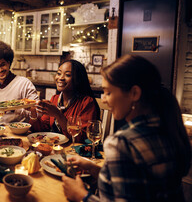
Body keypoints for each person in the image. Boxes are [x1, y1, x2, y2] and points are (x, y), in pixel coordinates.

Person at [62, 55, 191, 201]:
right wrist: (96, 169)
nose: (103, 99)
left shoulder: (122, 143)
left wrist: (82, 195)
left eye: (108, 92)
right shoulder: (168, 129)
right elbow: (139, 187)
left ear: (134, 93)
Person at [29, 59, 100, 142]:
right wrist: (33, 112)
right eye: (59, 73)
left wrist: (58, 115)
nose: (61, 78)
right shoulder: (55, 99)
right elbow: (41, 129)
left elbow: (81, 138)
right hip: (56, 149)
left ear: (77, 79)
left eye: (67, 75)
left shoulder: (86, 102)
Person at [0, 41, 38, 123]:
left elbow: (37, 112)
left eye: (2, 65)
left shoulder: (24, 83)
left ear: (9, 63)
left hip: (17, 131)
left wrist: (12, 109)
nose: (0, 70)